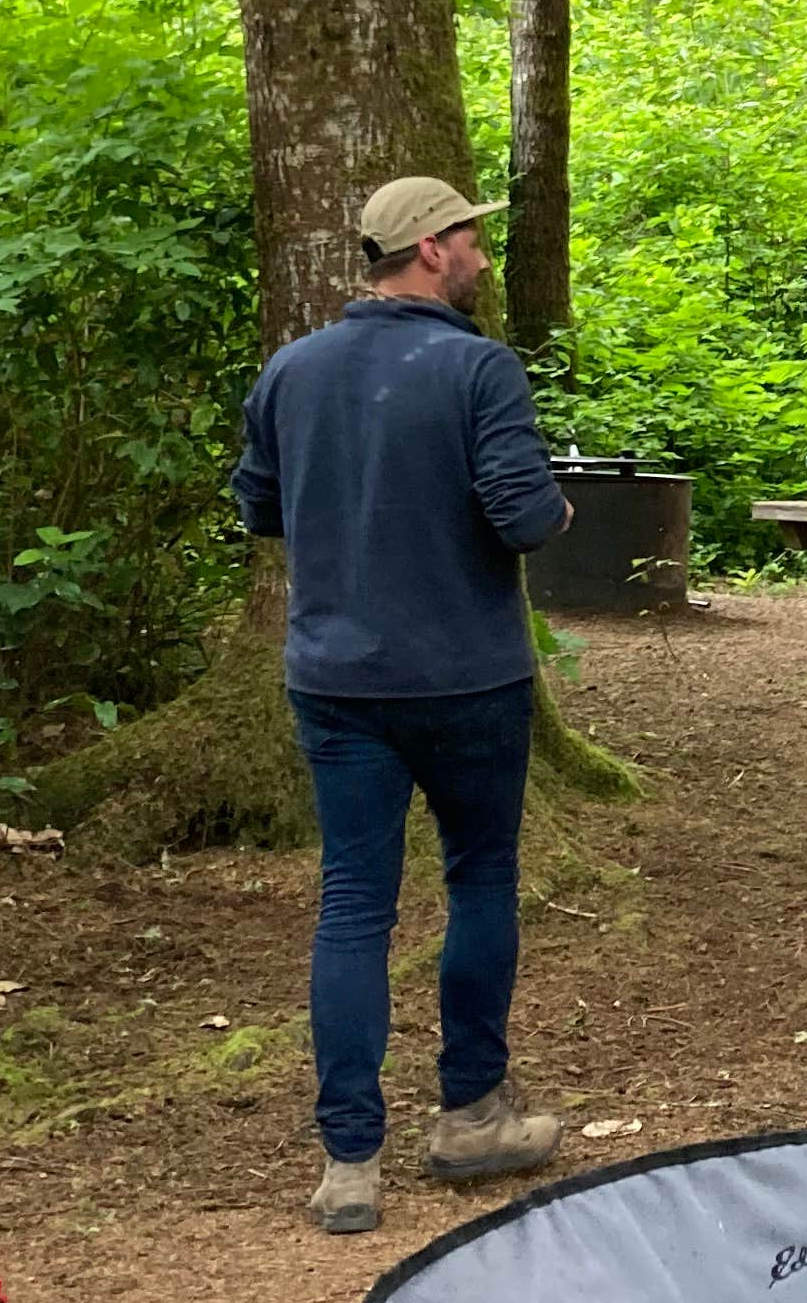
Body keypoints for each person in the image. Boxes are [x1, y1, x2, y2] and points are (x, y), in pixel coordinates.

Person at [232, 176, 574, 1234]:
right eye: (470, 238)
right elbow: (523, 521)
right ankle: (472, 1113)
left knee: (353, 905)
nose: (479, 255)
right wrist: (555, 503)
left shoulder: (292, 369)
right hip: (469, 678)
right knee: (478, 881)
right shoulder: (479, 369)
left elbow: (258, 506)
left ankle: (349, 1165)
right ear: (429, 248)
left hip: (336, 680)